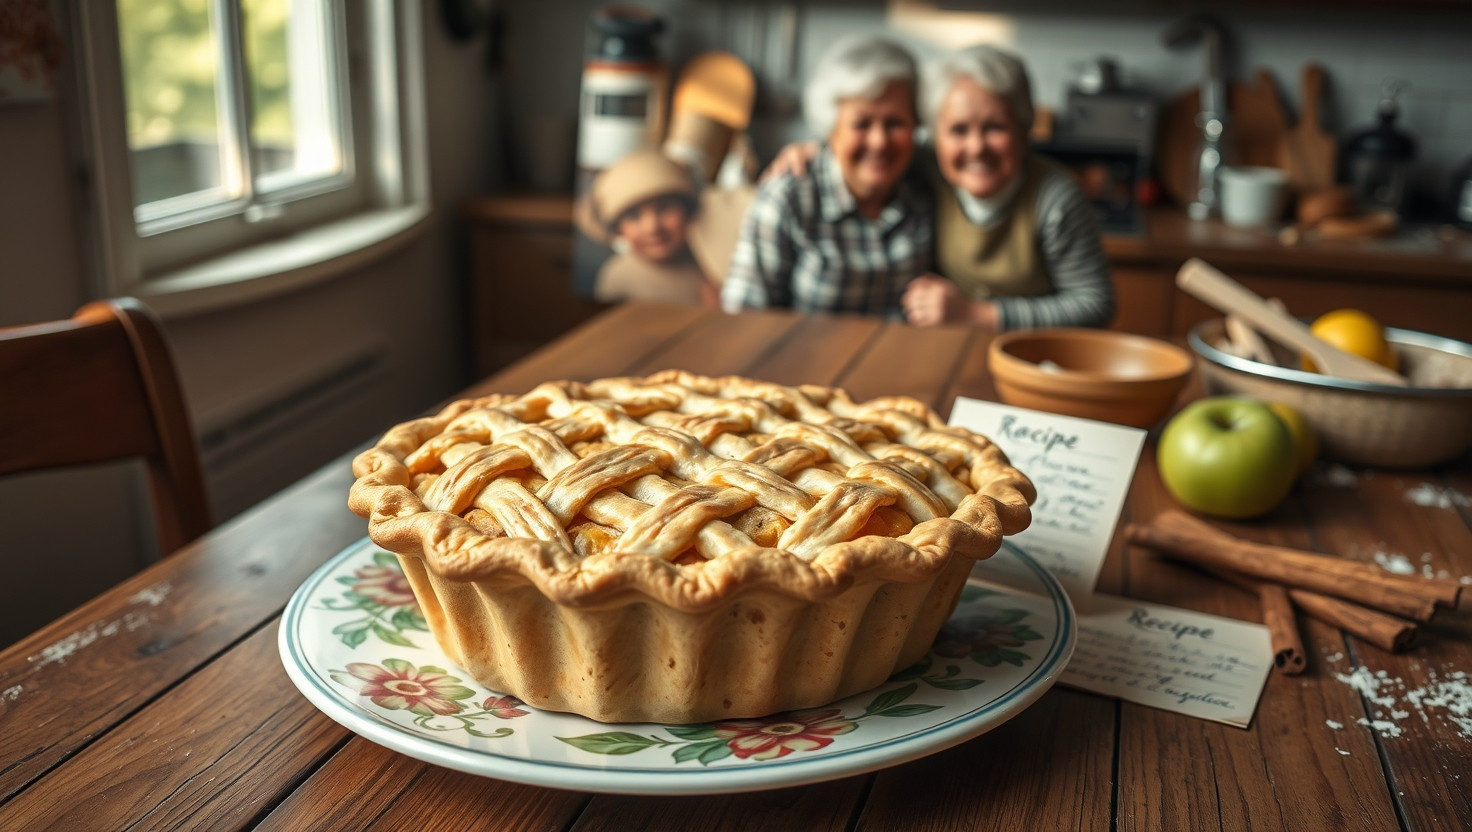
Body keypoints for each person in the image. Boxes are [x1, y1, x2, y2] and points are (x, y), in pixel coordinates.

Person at [761, 44, 1114, 330]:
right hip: (947, 352)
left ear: (1024, 126)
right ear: (935, 135)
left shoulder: (1055, 197)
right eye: (958, 130)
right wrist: (814, 150)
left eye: (995, 128)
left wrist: (979, 315)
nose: (976, 148)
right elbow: (868, 147)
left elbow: (1096, 305)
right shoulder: (929, 170)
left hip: (1035, 361)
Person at [720, 36, 932, 318]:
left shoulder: (927, 182)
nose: (879, 141)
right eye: (862, 124)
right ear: (831, 127)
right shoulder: (788, 194)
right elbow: (744, 313)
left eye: (895, 123)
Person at [586, 149, 716, 306]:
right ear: (618, 229)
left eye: (664, 208)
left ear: (687, 211)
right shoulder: (618, 278)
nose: (652, 227)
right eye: (633, 216)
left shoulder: (712, 263)